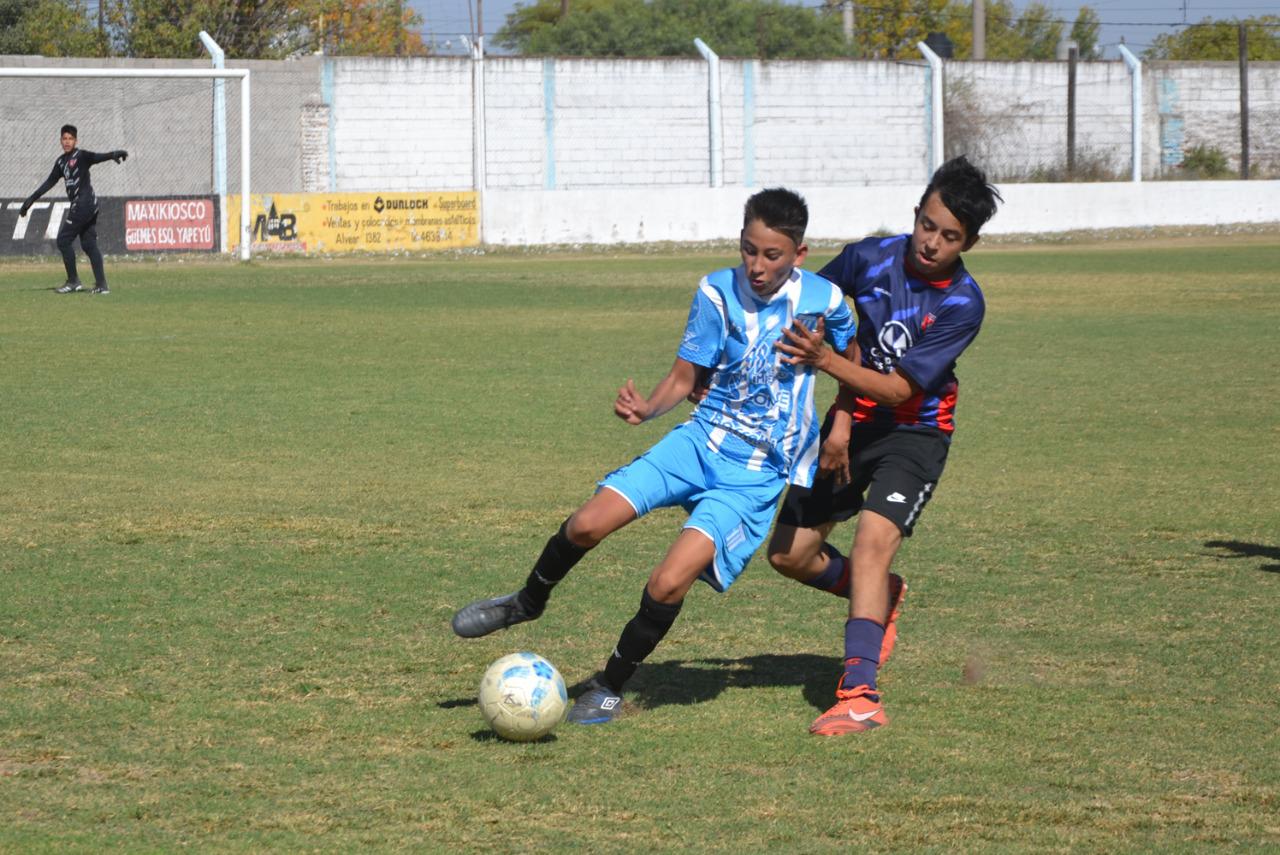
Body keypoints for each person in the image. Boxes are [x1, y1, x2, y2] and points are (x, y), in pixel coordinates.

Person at [451, 188, 856, 725]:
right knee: (587, 524)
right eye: (748, 250)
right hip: (698, 442)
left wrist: (842, 426)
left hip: (755, 475)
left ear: (799, 254)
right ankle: (527, 601)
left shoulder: (826, 302)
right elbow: (684, 377)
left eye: (772, 255)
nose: (756, 266)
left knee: (669, 581)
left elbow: (851, 361)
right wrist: (648, 409)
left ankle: (608, 685)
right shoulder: (715, 293)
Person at [769, 155, 1002, 736]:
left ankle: (860, 696)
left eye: (950, 237)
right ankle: (880, 596)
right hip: (855, 422)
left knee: (873, 544)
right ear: (916, 213)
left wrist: (826, 363)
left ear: (969, 241)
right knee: (788, 555)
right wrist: (840, 420)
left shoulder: (962, 303)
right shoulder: (868, 257)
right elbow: (813, 314)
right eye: (928, 225)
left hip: (915, 431)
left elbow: (899, 388)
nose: (932, 243)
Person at [19, 124, 127, 295]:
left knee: (63, 240)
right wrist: (30, 200)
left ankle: (73, 281)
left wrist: (113, 154)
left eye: (70, 139)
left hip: (84, 204)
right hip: (88, 205)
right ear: (61, 141)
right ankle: (102, 285)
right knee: (89, 244)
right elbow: (49, 183)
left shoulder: (81, 156)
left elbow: (97, 157)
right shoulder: (61, 162)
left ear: (76, 141)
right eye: (64, 138)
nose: (67, 141)